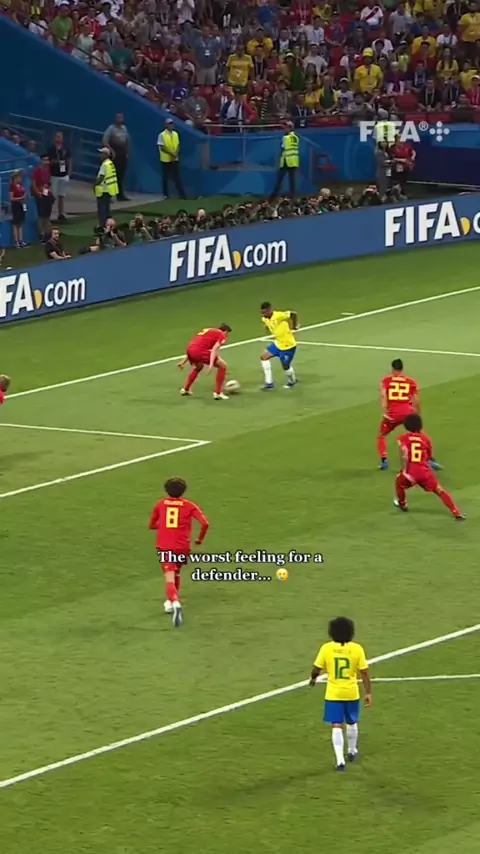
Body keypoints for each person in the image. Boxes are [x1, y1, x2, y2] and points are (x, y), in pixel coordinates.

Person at [309, 616, 371, 771]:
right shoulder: (357, 649)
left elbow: (317, 668)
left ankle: (340, 760)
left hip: (333, 694)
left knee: (336, 725)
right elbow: (364, 672)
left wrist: (313, 679)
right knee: (352, 722)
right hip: (351, 693)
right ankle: (352, 750)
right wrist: (368, 693)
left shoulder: (326, 648)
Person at [149, 477, 210, 626]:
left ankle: (175, 603)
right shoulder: (189, 505)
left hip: (166, 546)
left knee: (169, 577)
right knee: (177, 572)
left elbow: (152, 525)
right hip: (182, 546)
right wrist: (199, 540)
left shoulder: (161, 504)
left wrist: (163, 526)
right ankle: (170, 602)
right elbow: (205, 523)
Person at [395, 414, 464, 520]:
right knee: (440, 490)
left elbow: (404, 454)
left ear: (406, 426)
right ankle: (456, 512)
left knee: (399, 483)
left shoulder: (402, 438)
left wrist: (404, 470)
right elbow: (429, 456)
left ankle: (403, 504)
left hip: (410, 472)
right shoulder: (425, 439)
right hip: (424, 472)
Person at [377, 358, 441, 471]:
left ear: (392, 369)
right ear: (402, 369)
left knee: (381, 435)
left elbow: (383, 396)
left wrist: (385, 412)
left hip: (392, 415)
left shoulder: (386, 381)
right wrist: (417, 415)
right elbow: (416, 400)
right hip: (408, 413)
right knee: (421, 435)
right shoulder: (410, 382)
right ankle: (430, 459)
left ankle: (384, 461)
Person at [178, 324, 232, 400]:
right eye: (227, 333)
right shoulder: (221, 334)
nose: (227, 335)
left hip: (190, 349)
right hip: (199, 351)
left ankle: (186, 389)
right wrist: (211, 364)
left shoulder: (209, 331)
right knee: (223, 366)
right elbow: (214, 349)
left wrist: (183, 362)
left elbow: (196, 345)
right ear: (225, 331)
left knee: (199, 367)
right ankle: (218, 393)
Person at [259, 302, 298, 389]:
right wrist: (268, 329)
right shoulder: (265, 319)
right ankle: (269, 383)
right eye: (262, 312)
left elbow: (293, 314)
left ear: (270, 310)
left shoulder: (278, 315)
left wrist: (294, 326)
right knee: (263, 357)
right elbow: (267, 324)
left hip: (288, 345)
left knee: (285, 366)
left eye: (265, 312)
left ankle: (292, 381)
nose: (263, 314)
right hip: (278, 343)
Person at [103, 113, 130, 201]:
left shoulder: (124, 128)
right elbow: (105, 140)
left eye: (121, 117)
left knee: (121, 175)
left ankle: (120, 195)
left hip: (122, 153)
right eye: (118, 117)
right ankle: (109, 195)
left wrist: (127, 152)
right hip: (114, 153)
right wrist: (111, 151)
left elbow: (127, 140)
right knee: (111, 175)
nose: (120, 119)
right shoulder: (111, 129)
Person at [157, 118, 186, 199]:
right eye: (169, 124)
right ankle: (166, 194)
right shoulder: (162, 135)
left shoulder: (176, 134)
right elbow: (162, 147)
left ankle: (182, 194)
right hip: (166, 160)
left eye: (172, 124)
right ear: (166, 125)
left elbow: (178, 145)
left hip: (175, 159)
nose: (171, 125)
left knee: (177, 177)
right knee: (165, 178)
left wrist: (176, 153)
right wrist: (172, 153)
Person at [269, 122, 300, 199]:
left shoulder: (285, 137)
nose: (284, 129)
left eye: (285, 128)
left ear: (290, 128)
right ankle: (292, 194)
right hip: (293, 161)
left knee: (280, 178)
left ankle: (274, 194)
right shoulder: (296, 137)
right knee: (292, 179)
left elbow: (282, 148)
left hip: (286, 160)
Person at [47, 131, 72, 223]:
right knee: (52, 196)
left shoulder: (66, 148)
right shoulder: (51, 149)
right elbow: (48, 161)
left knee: (62, 195)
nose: (58, 138)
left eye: (60, 137)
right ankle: (48, 214)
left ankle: (61, 213)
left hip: (63, 175)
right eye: (57, 136)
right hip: (54, 175)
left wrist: (69, 174)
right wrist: (56, 162)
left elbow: (70, 160)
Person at [31, 153, 54, 241]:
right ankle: (41, 234)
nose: (46, 162)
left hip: (47, 194)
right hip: (40, 195)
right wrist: (38, 193)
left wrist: (50, 190)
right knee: (41, 216)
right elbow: (33, 184)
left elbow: (49, 182)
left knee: (47, 216)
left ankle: (48, 234)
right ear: (41, 160)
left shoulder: (48, 170)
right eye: (44, 160)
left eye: (47, 160)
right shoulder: (37, 170)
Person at [94, 147, 119, 227]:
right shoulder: (110, 164)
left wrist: (95, 185)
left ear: (105, 155)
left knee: (102, 211)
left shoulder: (104, 165)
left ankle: (103, 226)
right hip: (109, 190)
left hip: (103, 190)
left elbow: (101, 177)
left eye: (101, 153)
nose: (100, 155)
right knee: (107, 211)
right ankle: (108, 226)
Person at [9, 170, 27, 248]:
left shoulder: (21, 185)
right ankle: (16, 242)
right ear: (15, 178)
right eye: (19, 177)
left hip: (22, 205)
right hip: (15, 206)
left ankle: (21, 241)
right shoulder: (12, 186)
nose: (20, 179)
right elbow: (11, 198)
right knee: (16, 224)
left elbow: (24, 193)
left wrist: (24, 198)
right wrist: (20, 198)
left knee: (21, 223)